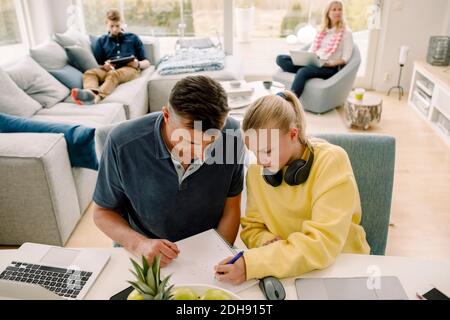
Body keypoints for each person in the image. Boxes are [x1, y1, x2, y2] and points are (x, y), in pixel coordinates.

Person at [214, 91, 370, 285]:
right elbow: (252, 228)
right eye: (255, 152)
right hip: (288, 270)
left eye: (268, 151)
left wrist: (253, 264)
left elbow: (322, 243)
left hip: (342, 266)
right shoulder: (257, 172)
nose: (261, 161)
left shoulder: (332, 162)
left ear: (293, 134)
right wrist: (266, 240)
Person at [93, 76, 245, 267]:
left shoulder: (231, 135)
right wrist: (140, 245)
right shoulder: (123, 143)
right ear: (166, 115)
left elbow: (231, 209)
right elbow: (102, 212)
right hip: (145, 254)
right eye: (189, 142)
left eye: (211, 142)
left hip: (206, 251)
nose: (202, 154)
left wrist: (218, 257)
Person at [71, 9, 151, 105]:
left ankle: (97, 97)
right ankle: (89, 92)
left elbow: (147, 62)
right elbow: (99, 64)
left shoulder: (133, 38)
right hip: (109, 70)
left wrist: (137, 64)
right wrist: (105, 66)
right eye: (111, 26)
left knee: (114, 74)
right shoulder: (101, 41)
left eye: (117, 25)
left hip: (130, 69)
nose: (114, 29)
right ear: (106, 24)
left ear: (122, 23)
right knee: (90, 73)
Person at [276, 0, 354, 98]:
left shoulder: (346, 33)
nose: (337, 12)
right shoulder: (321, 30)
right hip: (314, 62)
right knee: (280, 59)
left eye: (340, 9)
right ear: (328, 12)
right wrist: (305, 59)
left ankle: (289, 100)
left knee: (303, 72)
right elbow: (312, 49)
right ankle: (305, 72)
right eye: (334, 9)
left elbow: (345, 58)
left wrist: (330, 63)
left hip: (328, 68)